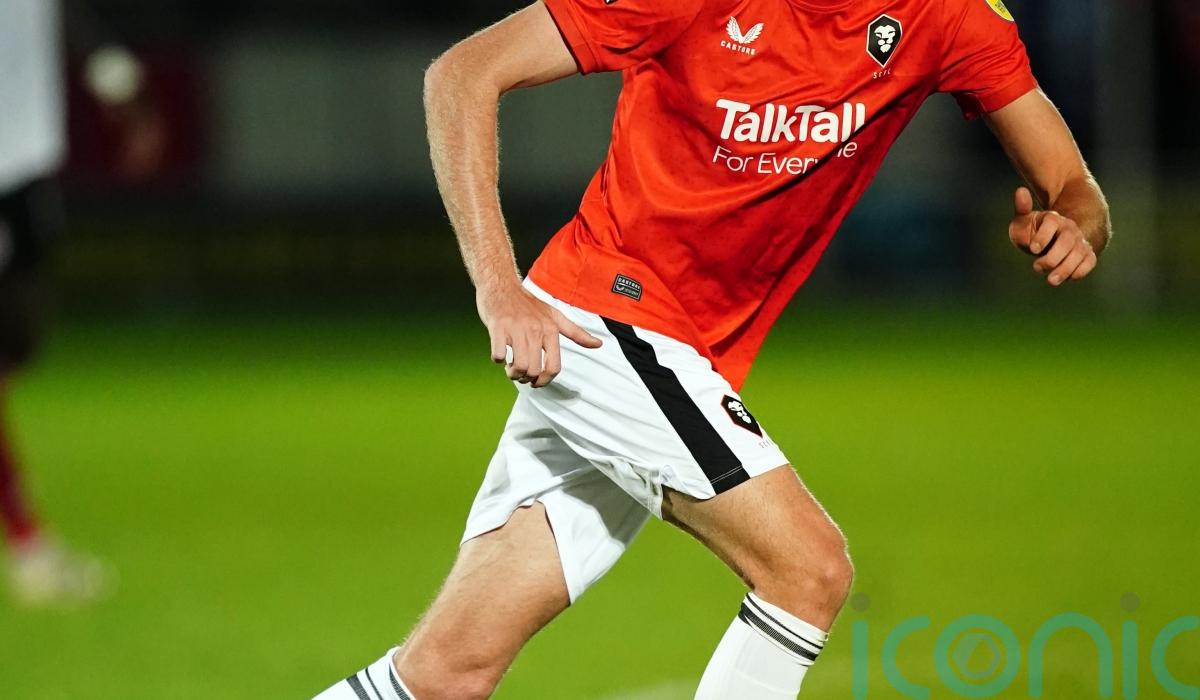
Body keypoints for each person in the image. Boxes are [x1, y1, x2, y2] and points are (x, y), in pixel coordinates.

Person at [317, 0, 1110, 697]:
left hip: (681, 354)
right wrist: (497, 285)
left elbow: (1074, 187)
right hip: (609, 320)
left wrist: (1073, 224)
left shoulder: (944, 14)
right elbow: (460, 74)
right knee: (808, 570)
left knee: (445, 675)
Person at [1, 0, 162, 607]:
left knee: (17, 348)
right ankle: (28, 545)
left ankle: (28, 545)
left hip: (24, 169)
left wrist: (125, 98)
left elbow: (69, 20)